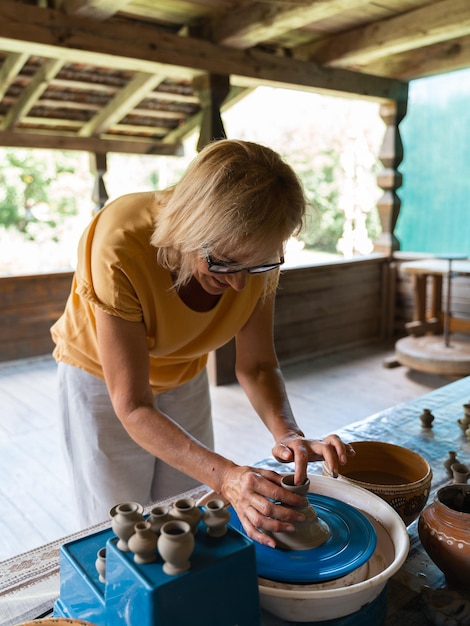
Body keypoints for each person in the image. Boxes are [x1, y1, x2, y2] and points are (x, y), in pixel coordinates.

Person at [51, 139, 354, 548]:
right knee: (121, 525)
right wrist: (227, 477)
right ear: (189, 228)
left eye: (258, 266)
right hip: (101, 378)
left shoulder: (252, 252)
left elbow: (258, 365)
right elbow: (134, 405)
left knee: (187, 510)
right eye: (224, 263)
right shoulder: (120, 243)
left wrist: (289, 434)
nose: (239, 284)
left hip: (183, 368)